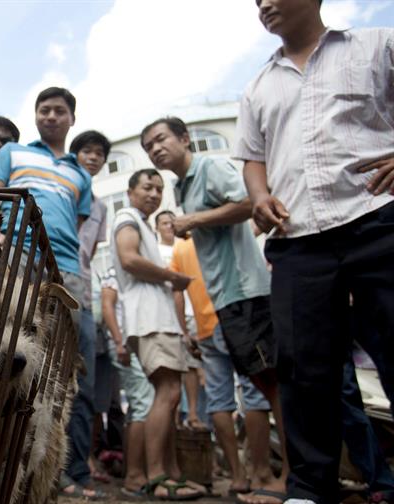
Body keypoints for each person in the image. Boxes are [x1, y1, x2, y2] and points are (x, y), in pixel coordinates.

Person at [235, 0, 394, 501]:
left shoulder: (378, 45)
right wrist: (259, 197)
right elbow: (254, 159)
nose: (262, 4)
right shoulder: (257, 87)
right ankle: (309, 488)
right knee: (304, 370)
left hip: (378, 222)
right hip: (298, 241)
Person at [141, 116, 288, 503]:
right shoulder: (182, 186)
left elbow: (250, 203)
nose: (155, 149)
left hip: (247, 292)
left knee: (273, 385)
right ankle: (263, 475)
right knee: (260, 386)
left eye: (160, 140)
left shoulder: (210, 166)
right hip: (225, 299)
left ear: (185, 138)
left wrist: (195, 219)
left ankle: (289, 477)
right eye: (148, 147)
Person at [0, 87, 99, 499]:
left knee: (65, 367)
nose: (51, 116)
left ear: (71, 118)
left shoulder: (80, 174)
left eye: (59, 110)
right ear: (35, 115)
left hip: (66, 267)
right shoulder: (12, 152)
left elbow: (79, 222)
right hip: (12, 249)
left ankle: (60, 470)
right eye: (44, 109)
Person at [110, 168, 202, 499]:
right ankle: (156, 476)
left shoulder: (141, 222)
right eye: (148, 187)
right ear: (132, 190)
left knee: (169, 395)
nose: (154, 193)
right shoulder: (127, 215)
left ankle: (165, 473)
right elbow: (128, 258)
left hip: (157, 319)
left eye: (159, 189)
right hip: (150, 319)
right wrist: (172, 277)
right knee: (167, 392)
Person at [170, 235, 274, 497]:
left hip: (205, 328)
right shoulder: (225, 234)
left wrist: (184, 330)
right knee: (254, 392)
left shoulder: (180, 249)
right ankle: (261, 473)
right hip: (237, 316)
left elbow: (177, 291)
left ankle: (238, 476)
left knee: (219, 399)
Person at [69, 130, 111, 487]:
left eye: (99, 153)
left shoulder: (101, 206)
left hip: (82, 293)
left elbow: (91, 253)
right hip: (49, 283)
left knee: (83, 385)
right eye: (86, 151)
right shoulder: (61, 188)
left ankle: (77, 471)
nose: (93, 158)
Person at [100, 268, 155, 497]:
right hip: (125, 344)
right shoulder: (114, 270)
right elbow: (107, 306)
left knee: (138, 405)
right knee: (142, 404)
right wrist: (119, 341)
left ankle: (135, 472)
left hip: (136, 342)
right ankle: (134, 476)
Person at [156, 210, 206, 432]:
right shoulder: (155, 252)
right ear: (157, 227)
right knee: (173, 367)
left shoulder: (188, 247)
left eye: (171, 222)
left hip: (193, 311)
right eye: (164, 223)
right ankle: (174, 418)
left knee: (194, 365)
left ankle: (194, 414)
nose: (168, 226)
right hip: (165, 315)